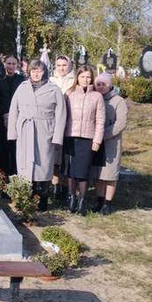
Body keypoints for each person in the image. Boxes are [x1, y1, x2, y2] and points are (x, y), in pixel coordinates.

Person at [8, 59, 67, 211]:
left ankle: (43, 198)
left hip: (44, 131)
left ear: (44, 72)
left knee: (44, 165)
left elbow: (61, 114)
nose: (36, 73)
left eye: (39, 70)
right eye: (33, 70)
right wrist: (13, 133)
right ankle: (26, 197)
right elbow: (14, 110)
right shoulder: (22, 87)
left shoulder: (54, 90)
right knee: (25, 165)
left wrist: (57, 136)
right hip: (26, 130)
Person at [63, 65, 105, 215]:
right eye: (82, 77)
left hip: (87, 138)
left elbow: (100, 120)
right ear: (77, 78)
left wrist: (97, 141)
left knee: (83, 172)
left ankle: (82, 201)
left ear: (92, 78)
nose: (85, 80)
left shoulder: (97, 97)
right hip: (70, 136)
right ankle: (71, 199)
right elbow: (64, 116)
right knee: (70, 170)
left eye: (88, 77)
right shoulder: (70, 94)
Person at [91, 73, 127, 215]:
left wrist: (103, 134)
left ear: (110, 85)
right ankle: (99, 200)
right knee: (99, 173)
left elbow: (121, 123)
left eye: (104, 84)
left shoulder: (118, 101)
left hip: (111, 142)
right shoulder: (95, 98)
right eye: (98, 84)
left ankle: (108, 203)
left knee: (110, 174)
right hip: (96, 142)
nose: (101, 87)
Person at [0, 55, 25, 176]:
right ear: (4, 64)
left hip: (18, 119)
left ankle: (15, 173)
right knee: (3, 148)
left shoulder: (22, 81)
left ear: (17, 65)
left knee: (16, 148)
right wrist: (5, 113)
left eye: (13, 64)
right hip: (1, 119)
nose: (11, 66)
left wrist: (15, 114)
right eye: (8, 63)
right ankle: (3, 174)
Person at [49, 55, 75, 202]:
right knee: (54, 158)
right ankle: (55, 187)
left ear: (69, 66)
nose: (61, 68)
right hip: (53, 123)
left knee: (66, 158)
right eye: (59, 65)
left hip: (70, 125)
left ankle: (66, 189)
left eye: (64, 65)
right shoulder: (51, 81)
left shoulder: (74, 81)